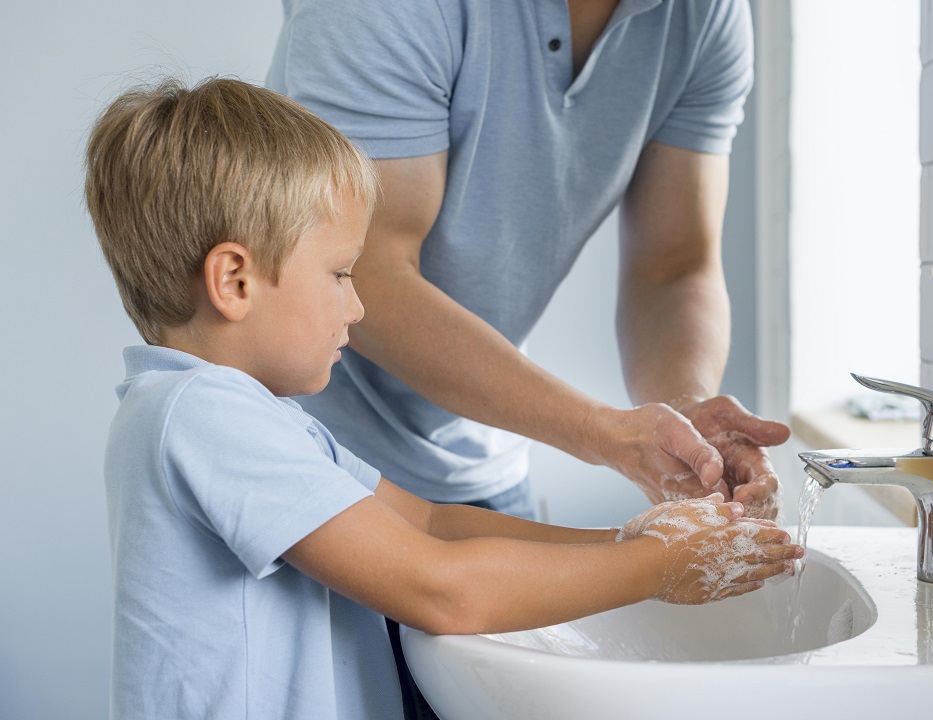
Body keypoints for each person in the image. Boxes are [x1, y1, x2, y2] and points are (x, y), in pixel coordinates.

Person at [85, 76, 803, 720]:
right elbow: (441, 589)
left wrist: (636, 540)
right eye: (340, 273)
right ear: (235, 282)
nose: (358, 307)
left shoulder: (252, 417)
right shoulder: (202, 416)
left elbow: (431, 524)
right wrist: (659, 568)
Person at [266, 0, 790, 523]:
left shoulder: (705, 15)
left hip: (484, 457)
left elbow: (673, 267)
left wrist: (687, 419)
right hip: (302, 445)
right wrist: (607, 434)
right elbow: (370, 275)